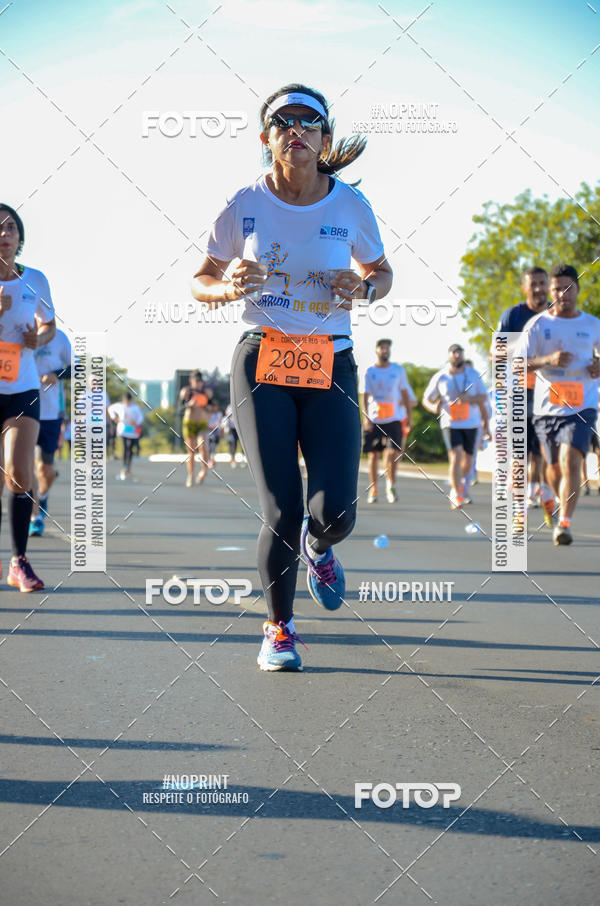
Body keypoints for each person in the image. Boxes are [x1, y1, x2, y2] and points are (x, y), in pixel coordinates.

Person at [191, 83, 392, 671]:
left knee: (336, 515)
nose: (296, 130)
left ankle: (319, 548)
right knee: (281, 508)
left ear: (325, 138)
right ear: (267, 137)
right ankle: (279, 629)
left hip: (331, 359)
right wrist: (228, 287)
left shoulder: (350, 204)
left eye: (309, 122)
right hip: (263, 358)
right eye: (284, 122)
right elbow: (200, 279)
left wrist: (365, 288)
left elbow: (382, 272)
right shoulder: (244, 203)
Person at [0, 203, 57, 590]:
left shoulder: (35, 279)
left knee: (19, 473)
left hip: (22, 387)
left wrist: (40, 337)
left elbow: (49, 324)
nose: (4, 235)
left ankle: (19, 562)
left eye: (10, 228)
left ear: (19, 237)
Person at [523, 264, 600, 545]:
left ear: (577, 290)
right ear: (550, 291)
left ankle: (564, 523)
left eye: (568, 288)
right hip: (546, 408)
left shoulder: (592, 324)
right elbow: (517, 364)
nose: (562, 294)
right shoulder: (538, 325)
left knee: (571, 459)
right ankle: (556, 498)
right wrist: (547, 360)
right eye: (557, 289)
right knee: (553, 468)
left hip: (582, 405)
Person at [496, 266, 554, 524]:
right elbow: (496, 352)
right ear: (525, 288)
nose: (539, 289)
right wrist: (523, 345)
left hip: (550, 393)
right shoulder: (514, 315)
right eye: (534, 284)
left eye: (543, 283)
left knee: (544, 451)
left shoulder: (556, 314)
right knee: (520, 453)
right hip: (518, 391)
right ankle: (520, 510)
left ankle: (543, 493)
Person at [422, 344, 490, 509]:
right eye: (454, 353)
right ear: (449, 356)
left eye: (459, 352)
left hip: (471, 422)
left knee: (468, 460)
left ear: (463, 355)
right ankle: (455, 492)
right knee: (455, 456)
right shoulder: (441, 376)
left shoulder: (473, 374)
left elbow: (483, 397)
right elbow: (426, 399)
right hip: (450, 422)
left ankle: (460, 484)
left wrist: (470, 400)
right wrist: (434, 407)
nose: (457, 355)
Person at [28, 328, 71, 536]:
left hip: (52, 413)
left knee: (46, 470)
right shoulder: (19, 333)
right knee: (27, 466)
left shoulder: (60, 338)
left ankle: (42, 496)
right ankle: (35, 517)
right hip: (25, 409)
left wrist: (56, 374)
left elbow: (78, 369)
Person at [362, 338, 411, 503]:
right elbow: (365, 395)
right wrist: (366, 418)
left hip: (393, 419)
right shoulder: (369, 371)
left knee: (392, 453)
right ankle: (373, 489)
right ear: (376, 350)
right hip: (375, 418)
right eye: (382, 348)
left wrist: (409, 417)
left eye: (387, 348)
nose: (385, 351)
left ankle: (390, 485)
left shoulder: (398, 370)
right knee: (373, 455)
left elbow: (405, 394)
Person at [178, 370, 212, 487]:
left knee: (204, 447)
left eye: (200, 381)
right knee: (191, 451)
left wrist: (208, 408)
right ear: (191, 381)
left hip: (202, 423)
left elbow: (213, 406)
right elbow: (179, 407)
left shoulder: (206, 392)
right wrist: (189, 404)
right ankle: (191, 475)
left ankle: (203, 471)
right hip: (189, 423)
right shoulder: (186, 392)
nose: (198, 383)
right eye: (196, 381)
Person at [108, 391, 143, 481]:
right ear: (123, 400)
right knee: (125, 447)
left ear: (130, 400)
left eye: (128, 401)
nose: (127, 402)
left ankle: (128, 467)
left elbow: (140, 417)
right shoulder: (120, 406)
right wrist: (114, 418)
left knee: (130, 449)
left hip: (133, 431)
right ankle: (124, 467)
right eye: (125, 400)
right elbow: (110, 409)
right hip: (123, 430)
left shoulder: (135, 407)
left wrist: (136, 422)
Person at [207, 401, 223, 467]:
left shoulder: (219, 414)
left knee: (213, 444)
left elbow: (220, 423)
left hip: (215, 430)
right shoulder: (208, 413)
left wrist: (220, 431)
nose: (215, 408)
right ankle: (210, 459)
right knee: (210, 445)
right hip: (208, 430)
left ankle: (212, 458)